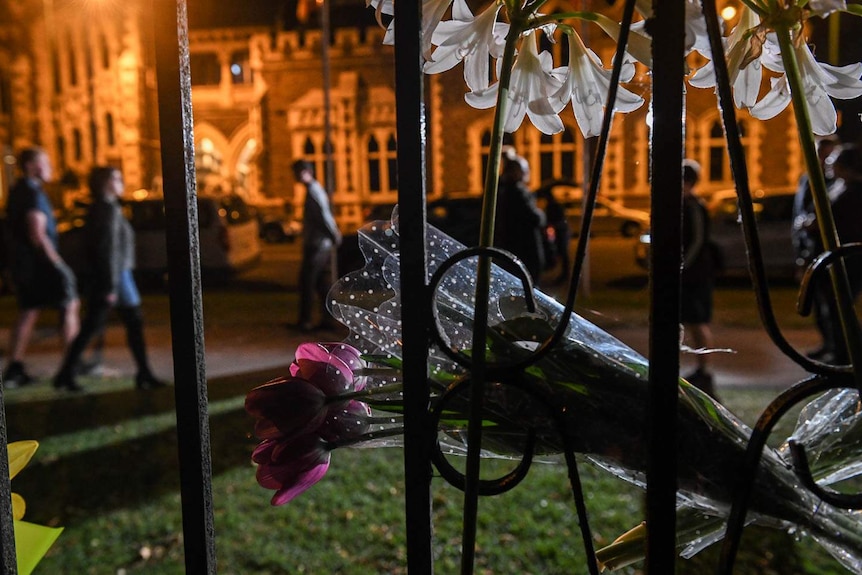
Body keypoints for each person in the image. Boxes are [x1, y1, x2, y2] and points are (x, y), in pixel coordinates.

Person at [52, 166, 165, 392]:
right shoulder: (106, 210)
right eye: (116, 178)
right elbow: (107, 249)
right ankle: (142, 373)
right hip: (116, 276)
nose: (121, 181)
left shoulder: (105, 207)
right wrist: (109, 285)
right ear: (105, 183)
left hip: (116, 275)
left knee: (110, 324)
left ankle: (143, 372)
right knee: (112, 324)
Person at [3, 147, 80, 388]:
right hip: (38, 265)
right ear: (30, 166)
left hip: (24, 265)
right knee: (70, 304)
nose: (51, 167)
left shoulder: (18, 191)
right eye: (46, 162)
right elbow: (37, 233)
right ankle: (70, 367)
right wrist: (58, 264)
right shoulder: (32, 193)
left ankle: (14, 367)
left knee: (29, 311)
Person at [792, 136, 840, 361]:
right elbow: (799, 211)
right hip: (810, 248)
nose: (823, 160)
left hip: (829, 250)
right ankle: (828, 343)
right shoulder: (807, 179)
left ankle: (839, 347)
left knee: (834, 303)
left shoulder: (836, 184)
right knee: (818, 302)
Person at [819, 143, 862, 364]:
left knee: (841, 306)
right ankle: (839, 349)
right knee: (835, 307)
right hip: (837, 259)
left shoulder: (853, 192)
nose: (828, 164)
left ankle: (846, 353)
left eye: (833, 160)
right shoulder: (839, 187)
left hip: (848, 260)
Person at [680, 159, 718, 398]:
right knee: (692, 320)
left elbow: (698, 239)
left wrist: (684, 266)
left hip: (696, 273)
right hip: (691, 271)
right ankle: (701, 366)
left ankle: (705, 368)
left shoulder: (694, 206)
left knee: (698, 320)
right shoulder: (685, 204)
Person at [293, 159, 341, 332]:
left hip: (317, 244)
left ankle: (305, 321)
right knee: (321, 283)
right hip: (321, 243)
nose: (295, 176)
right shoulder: (314, 189)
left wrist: (334, 234)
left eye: (297, 172)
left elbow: (323, 216)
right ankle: (328, 320)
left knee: (307, 282)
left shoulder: (313, 191)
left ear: (306, 172)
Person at [494, 151, 547, 281]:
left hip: (510, 247)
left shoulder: (502, 190)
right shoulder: (518, 192)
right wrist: (540, 214)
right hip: (525, 248)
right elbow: (534, 218)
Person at [536, 185, 571, 285]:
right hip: (560, 231)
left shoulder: (553, 205)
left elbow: (557, 219)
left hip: (560, 232)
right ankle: (564, 275)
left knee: (562, 253)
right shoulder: (552, 205)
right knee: (562, 254)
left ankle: (565, 275)